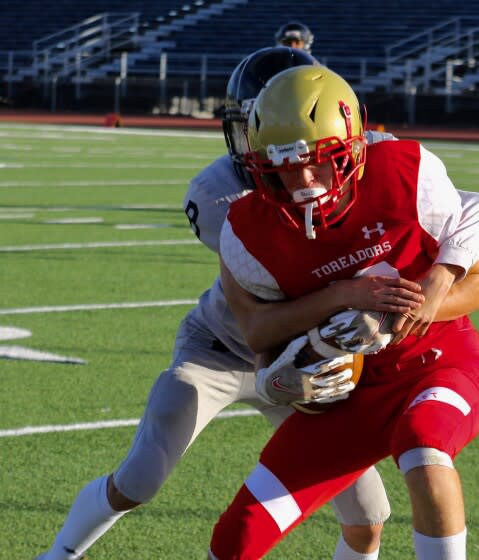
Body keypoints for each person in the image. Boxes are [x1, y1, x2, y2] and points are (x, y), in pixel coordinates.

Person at [35, 47, 423, 560]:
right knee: (140, 478)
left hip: (311, 357)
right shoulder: (221, 195)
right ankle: (59, 554)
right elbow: (264, 311)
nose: (278, 149)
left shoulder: (374, 163)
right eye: (257, 127)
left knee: (368, 515)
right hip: (223, 347)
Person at [208, 65, 479, 559]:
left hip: (436, 364)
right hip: (347, 392)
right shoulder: (246, 231)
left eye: (318, 161)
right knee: (237, 535)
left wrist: (427, 299)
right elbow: (258, 333)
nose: (302, 180)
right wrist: (342, 296)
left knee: (423, 450)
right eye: (282, 165)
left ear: (352, 147)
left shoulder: (403, 173)